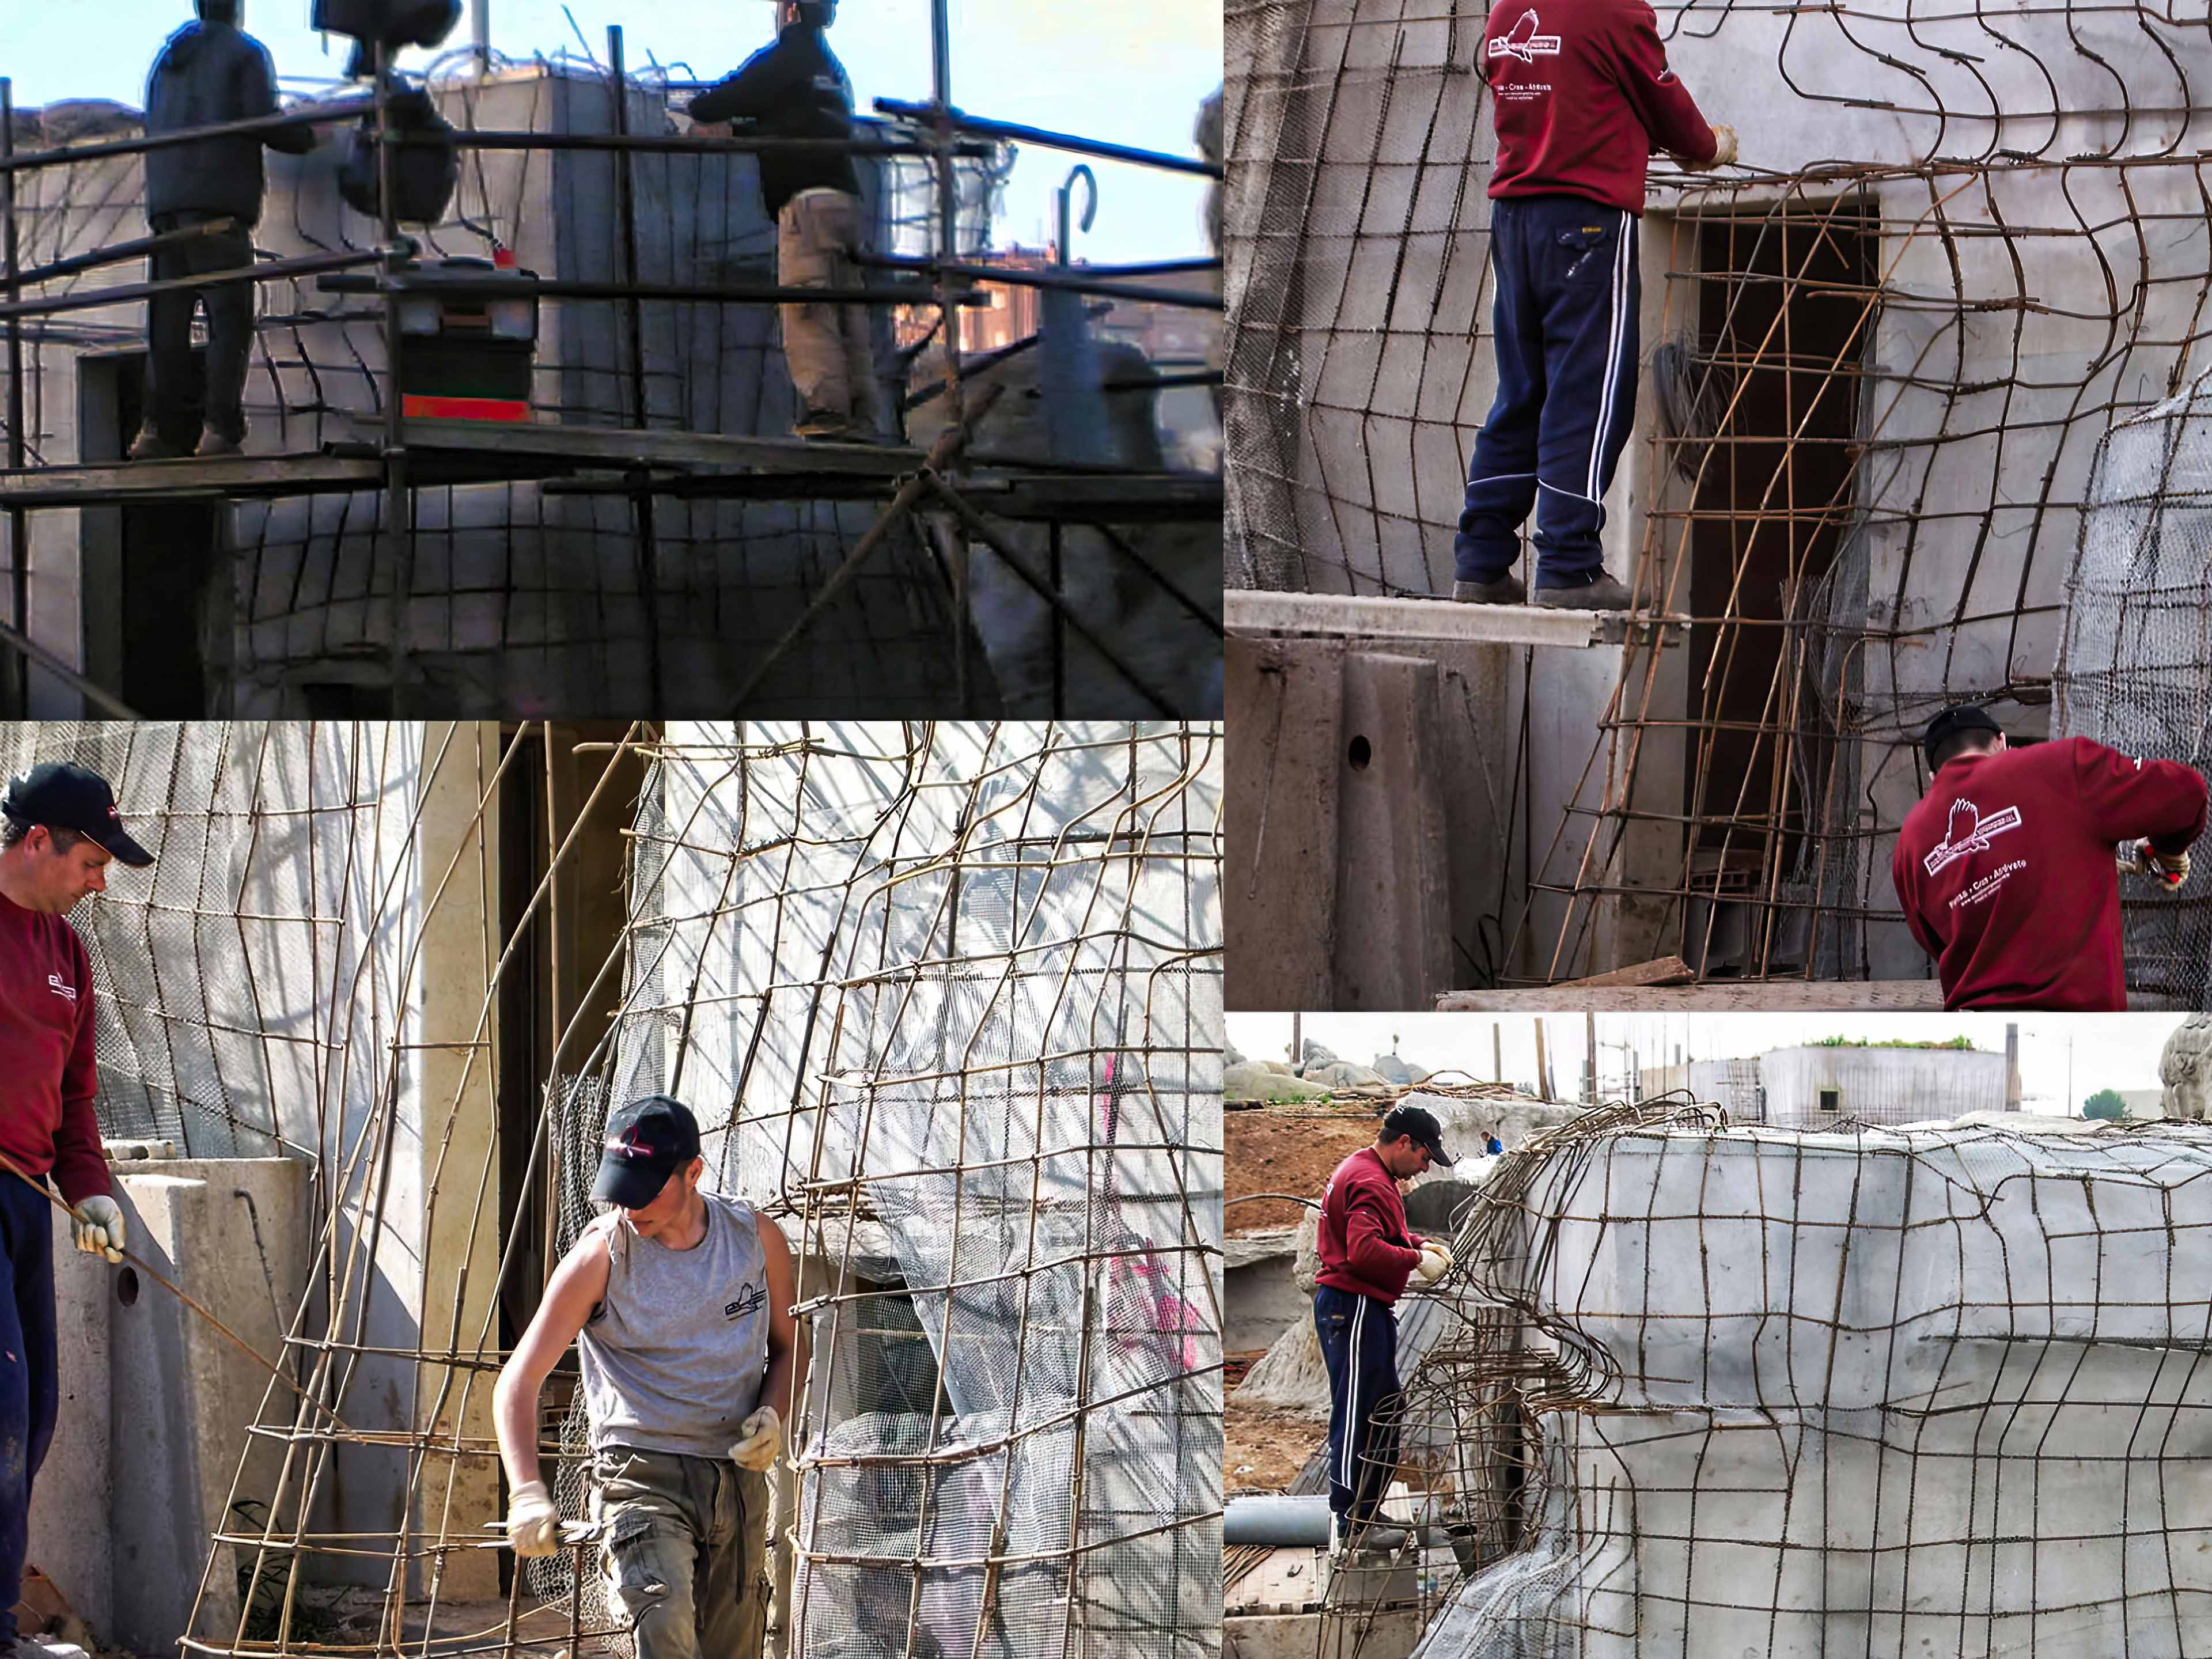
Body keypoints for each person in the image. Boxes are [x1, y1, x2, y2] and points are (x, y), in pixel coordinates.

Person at [495, 1096, 804, 1659]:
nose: (629, 1206)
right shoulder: (601, 1257)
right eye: (620, 1187)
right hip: (641, 1478)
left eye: (647, 1188)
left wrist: (773, 1415)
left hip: (736, 1480)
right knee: (661, 1631)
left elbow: (788, 1347)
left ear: (693, 1172)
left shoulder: (755, 1240)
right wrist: (526, 1492)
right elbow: (518, 1380)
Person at [1451, 0, 1736, 610]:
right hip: (1585, 222)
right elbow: (1665, 106)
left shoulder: (1506, 13)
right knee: (1589, 394)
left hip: (1514, 220)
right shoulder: (1612, 10)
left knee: (1521, 392)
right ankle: (1570, 567)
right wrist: (1709, 146)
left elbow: (1570, 98)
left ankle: (1480, 563)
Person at [0, 763, 154, 1645]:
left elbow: (77, 1099)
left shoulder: (67, 956)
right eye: (92, 863)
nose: (100, 884)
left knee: (40, 1409)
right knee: (3, 1414)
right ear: (35, 841)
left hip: (26, 1203)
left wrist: (91, 1193)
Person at [1891, 706, 2209, 1010]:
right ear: (2002, 741)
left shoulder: (1909, 844)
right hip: (2080, 1023)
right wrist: (2167, 849)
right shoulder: (2064, 766)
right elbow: (2187, 792)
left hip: (1978, 1018)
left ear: (1934, 775)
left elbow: (1935, 942)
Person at [130, 0, 317, 461]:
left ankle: (155, 432)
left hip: (167, 208)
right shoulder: (244, 52)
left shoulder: (168, 57)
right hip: (217, 208)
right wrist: (314, 133)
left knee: (168, 326)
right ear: (236, 8)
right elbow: (265, 121)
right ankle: (219, 430)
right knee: (228, 320)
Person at [689, 1, 880, 442]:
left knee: (807, 305)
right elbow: (798, 124)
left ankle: (828, 411)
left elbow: (732, 94)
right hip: (845, 199)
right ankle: (865, 415)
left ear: (790, 10)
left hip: (805, 200)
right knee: (848, 309)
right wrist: (740, 133)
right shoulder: (831, 70)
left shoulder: (786, 54)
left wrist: (696, 110)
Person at [1313, 1104, 1455, 1554]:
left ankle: (1367, 1507)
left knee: (1387, 1406)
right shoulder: (1372, 1182)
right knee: (1358, 1411)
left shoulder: (1368, 1170)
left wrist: (1418, 1241)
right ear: (1403, 1143)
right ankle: (1354, 1517)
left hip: (1362, 1308)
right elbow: (1363, 1250)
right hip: (1353, 1307)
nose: (1426, 1164)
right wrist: (1416, 1260)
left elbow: (1383, 1233)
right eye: (1424, 1155)